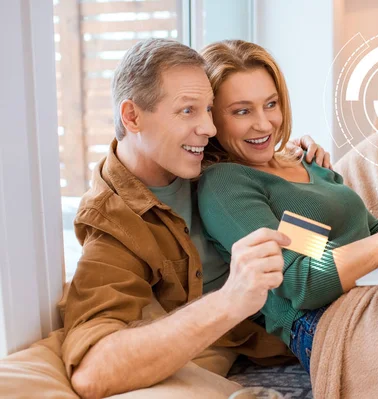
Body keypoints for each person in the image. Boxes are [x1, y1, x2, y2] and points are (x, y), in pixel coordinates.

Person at [196, 39, 378, 374]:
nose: (264, 124)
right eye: (241, 111)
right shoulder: (225, 183)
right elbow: (302, 282)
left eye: (271, 104)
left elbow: (367, 233)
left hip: (375, 286)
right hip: (324, 322)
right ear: (211, 119)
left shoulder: (305, 162)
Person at [61, 38, 332, 399]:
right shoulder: (115, 222)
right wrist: (230, 299)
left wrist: (303, 176)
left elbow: (308, 241)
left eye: (208, 109)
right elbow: (92, 372)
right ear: (132, 116)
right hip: (304, 327)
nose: (209, 127)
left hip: (326, 283)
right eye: (188, 110)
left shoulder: (206, 159)